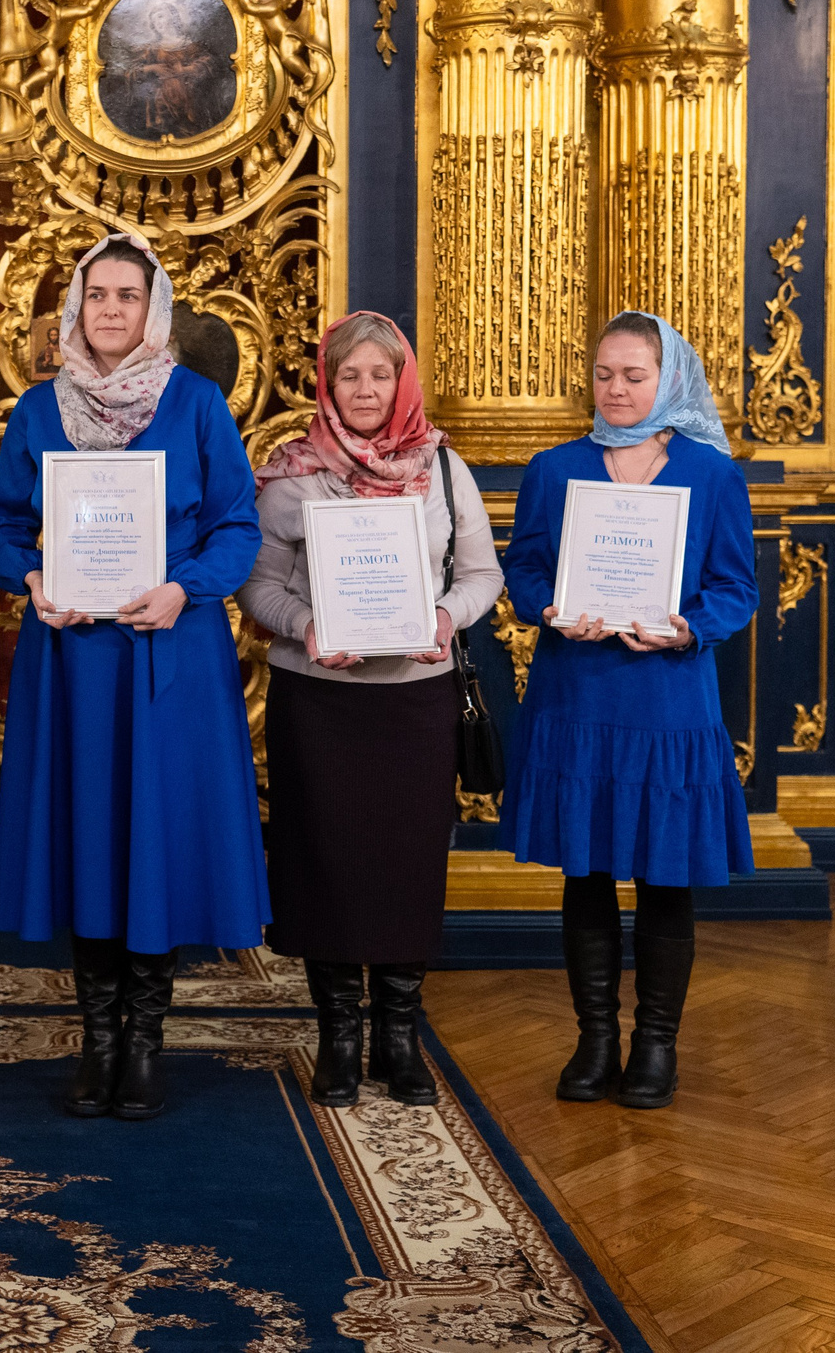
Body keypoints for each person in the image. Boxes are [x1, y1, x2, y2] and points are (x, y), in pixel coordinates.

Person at [0, 233, 268, 1122]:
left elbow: (238, 528)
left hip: (168, 653)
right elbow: (2, 524)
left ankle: (145, 1041)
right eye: (95, 295)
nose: (109, 310)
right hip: (73, 660)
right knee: (90, 834)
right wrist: (28, 577)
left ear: (155, 310)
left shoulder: (197, 403)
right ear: (73, 309)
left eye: (126, 297)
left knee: (156, 834)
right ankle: (95, 1038)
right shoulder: (37, 410)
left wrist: (186, 588)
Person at [240, 312, 500, 1109]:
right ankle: (339, 1036)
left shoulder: (445, 469)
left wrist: (445, 618)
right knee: (323, 865)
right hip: (318, 702)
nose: (363, 389)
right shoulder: (289, 473)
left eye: (378, 375)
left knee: (407, 865)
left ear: (401, 382)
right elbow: (257, 586)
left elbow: (482, 573)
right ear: (327, 381)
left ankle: (399, 1033)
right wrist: (305, 625)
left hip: (413, 704)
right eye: (348, 374)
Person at [501, 311, 757, 1110]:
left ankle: (655, 1047)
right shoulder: (554, 468)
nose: (615, 389)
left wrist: (690, 626)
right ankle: (596, 1040)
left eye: (633, 375)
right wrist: (548, 610)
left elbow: (736, 588)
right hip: (578, 694)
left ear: (668, 378)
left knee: (666, 876)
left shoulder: (713, 476)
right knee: (587, 872)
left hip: (668, 702)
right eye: (605, 374)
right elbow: (526, 572)